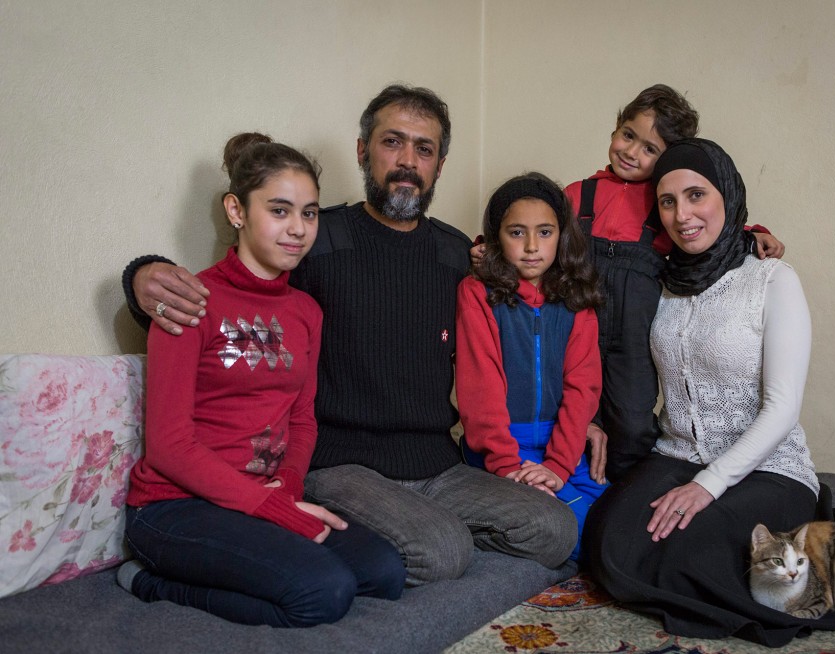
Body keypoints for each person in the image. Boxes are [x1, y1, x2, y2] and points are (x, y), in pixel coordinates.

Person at [121, 85, 578, 587]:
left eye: (423, 149)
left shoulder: (455, 254)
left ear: (440, 165)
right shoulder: (316, 238)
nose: (407, 161)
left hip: (436, 463)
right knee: (443, 551)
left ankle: (420, 534)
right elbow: (237, 294)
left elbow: (539, 309)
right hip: (341, 464)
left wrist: (589, 420)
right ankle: (400, 539)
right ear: (363, 151)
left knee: (554, 529)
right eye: (392, 143)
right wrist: (141, 276)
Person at [582, 138, 835, 646]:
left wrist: (710, 484)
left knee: (689, 547)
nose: (682, 215)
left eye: (697, 196)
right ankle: (682, 578)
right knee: (607, 537)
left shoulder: (772, 280)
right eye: (668, 202)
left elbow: (782, 409)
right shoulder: (661, 282)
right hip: (675, 455)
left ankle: (773, 550)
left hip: (769, 467)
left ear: (727, 196)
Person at [118, 133, 405, 627]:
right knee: (324, 593)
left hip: (262, 493)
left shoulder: (306, 311)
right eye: (279, 211)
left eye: (309, 213)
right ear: (237, 211)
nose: (297, 230)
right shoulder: (190, 299)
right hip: (174, 506)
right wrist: (273, 509)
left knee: (385, 572)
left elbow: (303, 418)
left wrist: (288, 490)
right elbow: (168, 445)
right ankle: (147, 580)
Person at [474, 85, 785, 483]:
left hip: (633, 338)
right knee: (563, 409)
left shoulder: (665, 204)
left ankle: (621, 492)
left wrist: (752, 234)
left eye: (650, 149)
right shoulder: (577, 194)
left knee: (633, 422)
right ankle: (561, 481)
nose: (632, 152)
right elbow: (529, 227)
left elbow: (708, 229)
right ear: (615, 129)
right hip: (572, 326)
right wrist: (486, 248)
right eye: (628, 135)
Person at [456, 173, 604, 561]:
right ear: (495, 238)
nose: (533, 247)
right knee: (576, 536)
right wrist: (507, 466)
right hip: (504, 449)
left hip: (564, 449)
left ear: (562, 235)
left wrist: (557, 465)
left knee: (612, 526)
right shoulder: (478, 295)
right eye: (517, 233)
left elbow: (583, 388)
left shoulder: (577, 299)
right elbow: (480, 389)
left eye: (545, 232)